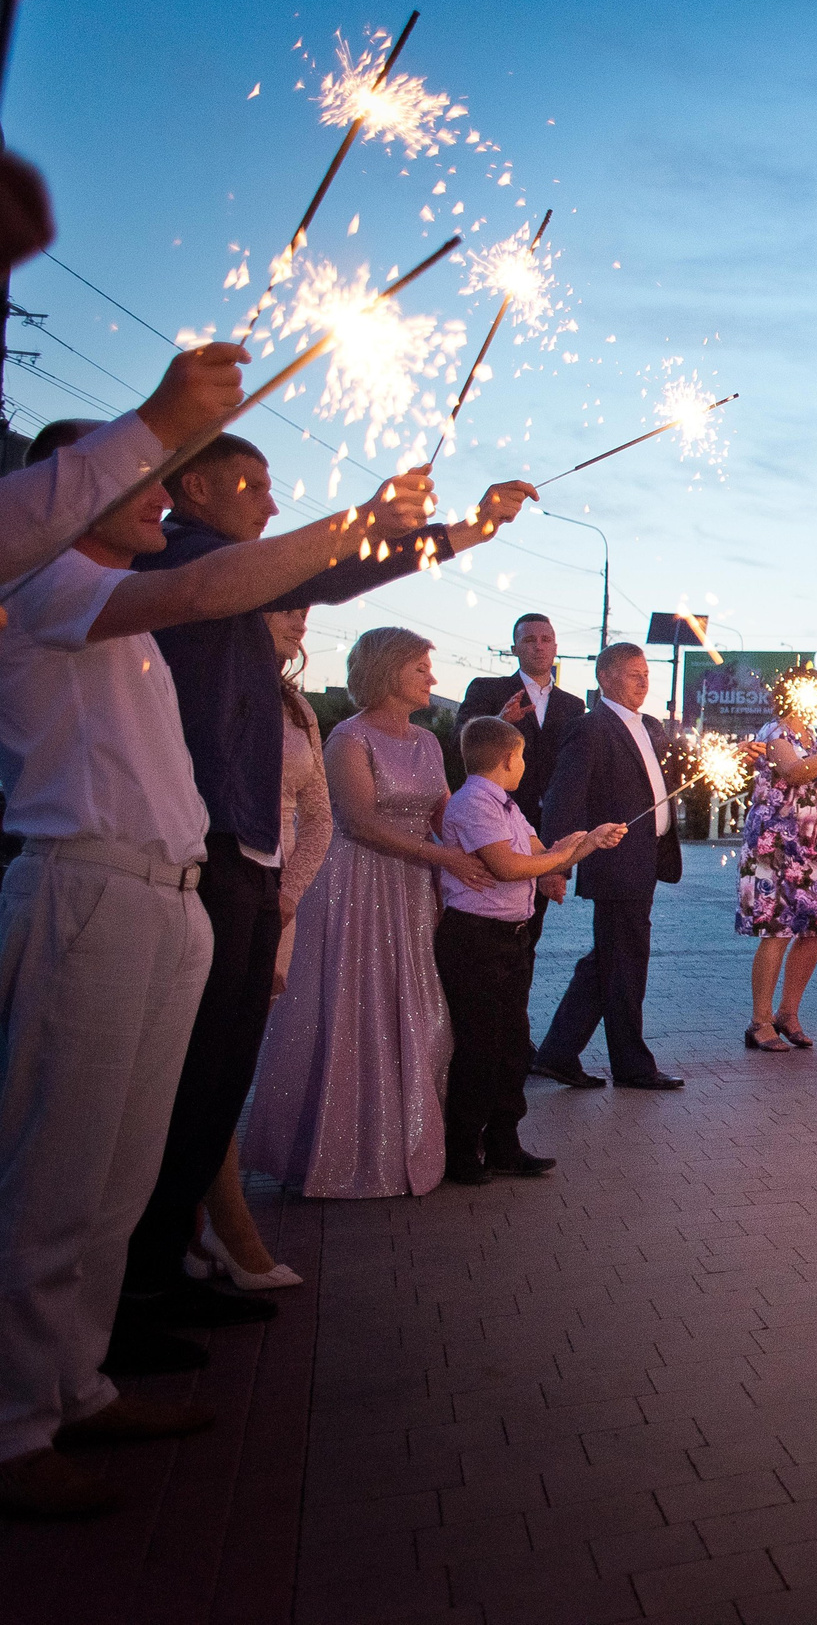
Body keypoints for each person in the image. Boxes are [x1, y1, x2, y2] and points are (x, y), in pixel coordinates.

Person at [0, 466, 430, 1520]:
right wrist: (378, 522)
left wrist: (434, 533)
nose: (155, 501)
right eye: (136, 482)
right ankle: (12, 1424)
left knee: (118, 1170)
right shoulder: (51, 588)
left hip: (169, 890)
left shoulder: (132, 622)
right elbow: (213, 585)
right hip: (88, 883)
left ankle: (77, 1381)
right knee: (57, 1166)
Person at [114, 436, 533, 1366]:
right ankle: (125, 1300)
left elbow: (332, 575)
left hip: (246, 867)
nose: (269, 504)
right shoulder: (185, 565)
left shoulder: (238, 590)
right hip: (186, 855)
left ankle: (165, 1270)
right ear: (189, 487)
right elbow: (329, 570)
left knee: (213, 1078)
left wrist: (462, 528)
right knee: (171, 1083)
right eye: (252, 485)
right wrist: (408, 524)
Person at [242, 628, 486, 1199]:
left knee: (420, 1008)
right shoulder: (348, 739)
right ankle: (338, 1149)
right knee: (356, 1004)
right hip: (357, 886)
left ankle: (407, 1142)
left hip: (412, 889)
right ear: (386, 670)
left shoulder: (428, 743)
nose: (432, 677)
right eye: (421, 667)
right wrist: (442, 856)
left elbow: (447, 815)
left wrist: (508, 845)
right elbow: (359, 823)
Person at [187, 607, 330, 1293]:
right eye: (283, 603)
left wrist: (287, 891)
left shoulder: (298, 705)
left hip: (274, 898)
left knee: (230, 1060)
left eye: (305, 607)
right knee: (196, 1062)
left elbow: (320, 816)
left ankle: (192, 1222)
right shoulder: (207, 681)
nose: (298, 617)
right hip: (213, 881)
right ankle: (213, 1220)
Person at [436, 718, 624, 1184]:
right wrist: (565, 858)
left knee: (511, 1045)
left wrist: (588, 839)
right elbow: (509, 866)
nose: (524, 764)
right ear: (507, 759)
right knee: (479, 1047)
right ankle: (462, 1150)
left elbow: (544, 849)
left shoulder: (506, 804)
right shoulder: (473, 803)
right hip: (475, 939)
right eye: (521, 757)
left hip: (511, 939)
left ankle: (504, 1143)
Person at [532, 642, 689, 1090]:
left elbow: (669, 776)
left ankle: (558, 1054)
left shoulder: (653, 727)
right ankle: (632, 1065)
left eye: (646, 673)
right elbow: (564, 800)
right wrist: (554, 865)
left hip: (647, 859)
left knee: (611, 959)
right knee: (624, 960)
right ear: (605, 677)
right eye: (633, 673)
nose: (644, 681)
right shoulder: (590, 728)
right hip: (615, 861)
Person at [0, 344, 244, 591]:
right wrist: (159, 422)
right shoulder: (40, 596)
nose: (165, 500)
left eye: (156, 478)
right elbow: (196, 594)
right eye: (134, 475)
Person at [739, 689, 817, 1050]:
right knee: (776, 931)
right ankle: (760, 1020)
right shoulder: (775, 734)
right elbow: (793, 772)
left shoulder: (814, 737)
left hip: (805, 848)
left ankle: (788, 1012)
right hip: (773, 844)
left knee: (813, 929)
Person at [456, 612, 586, 941]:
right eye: (529, 640)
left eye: (545, 640)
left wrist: (559, 866)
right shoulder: (489, 690)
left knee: (531, 935)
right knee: (493, 930)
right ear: (515, 648)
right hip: (495, 829)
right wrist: (500, 721)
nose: (538, 647)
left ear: (555, 647)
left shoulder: (573, 705)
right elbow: (461, 743)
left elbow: (572, 776)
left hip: (547, 831)